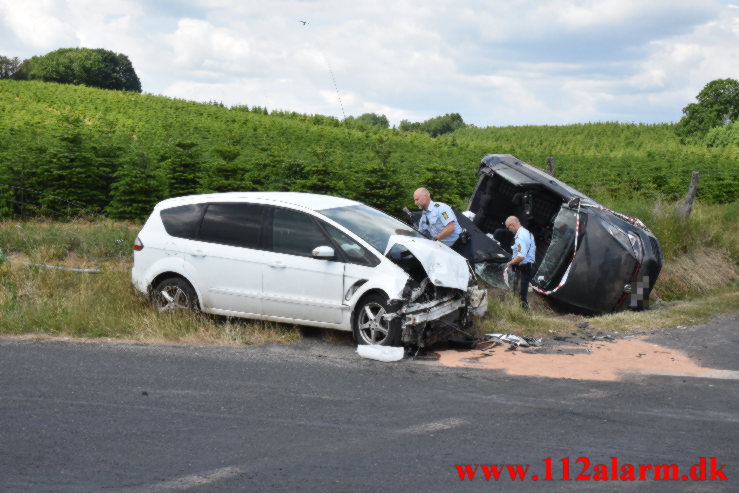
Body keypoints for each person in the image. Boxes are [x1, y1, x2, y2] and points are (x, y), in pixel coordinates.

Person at [504, 215, 536, 310]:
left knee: (521, 294)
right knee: (522, 291)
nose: (509, 230)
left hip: (524, 268)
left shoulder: (520, 236)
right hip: (527, 266)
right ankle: (521, 311)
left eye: (508, 227)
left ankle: (524, 313)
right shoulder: (527, 232)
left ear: (512, 225)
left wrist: (511, 263)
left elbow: (521, 256)